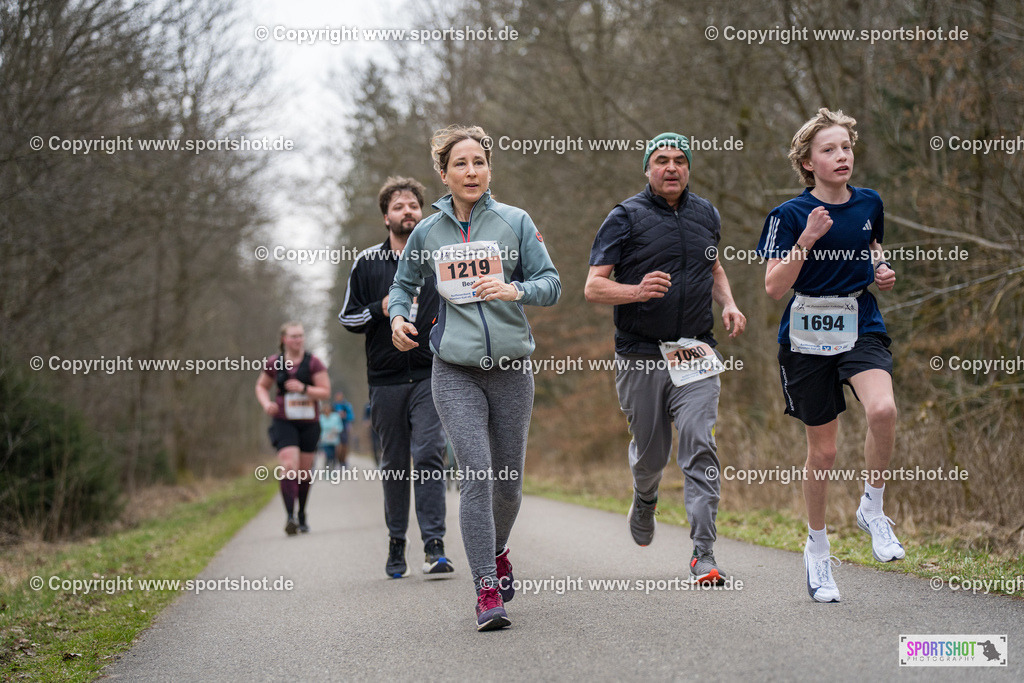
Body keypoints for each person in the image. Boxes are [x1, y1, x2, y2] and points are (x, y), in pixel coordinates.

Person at [389, 125, 560, 631]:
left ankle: (499, 548)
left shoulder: (515, 222)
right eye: (460, 163)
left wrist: (514, 291)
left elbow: (551, 284)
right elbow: (403, 287)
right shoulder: (428, 232)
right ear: (443, 173)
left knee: (508, 487)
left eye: (479, 162)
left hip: (511, 370)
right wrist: (399, 317)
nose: (471, 171)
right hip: (454, 371)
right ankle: (486, 589)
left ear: (490, 170)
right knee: (477, 476)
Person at [585, 133, 746, 585]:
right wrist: (635, 291)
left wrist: (729, 303)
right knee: (652, 455)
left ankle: (704, 552)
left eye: (679, 160)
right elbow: (593, 286)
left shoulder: (707, 214)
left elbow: (713, 267)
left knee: (699, 441)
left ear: (689, 168)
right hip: (639, 354)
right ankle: (645, 495)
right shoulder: (624, 217)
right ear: (647, 169)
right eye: (661, 160)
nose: (671, 168)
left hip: (696, 349)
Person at [756, 108, 903, 603]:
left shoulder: (870, 203)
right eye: (829, 150)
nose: (841, 157)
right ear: (807, 162)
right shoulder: (788, 216)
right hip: (806, 335)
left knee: (883, 409)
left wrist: (880, 269)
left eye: (846, 148)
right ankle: (818, 549)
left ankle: (873, 508)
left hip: (859, 321)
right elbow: (774, 287)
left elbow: (873, 245)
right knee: (824, 452)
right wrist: (807, 239)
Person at [340, 176, 453, 579]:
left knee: (428, 455)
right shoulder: (367, 263)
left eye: (414, 205)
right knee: (394, 465)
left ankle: (435, 544)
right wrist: (381, 307)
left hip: (430, 373)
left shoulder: (438, 255)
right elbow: (348, 317)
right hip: (385, 380)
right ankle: (396, 542)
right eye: (400, 206)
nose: (408, 212)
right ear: (386, 216)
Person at [255, 322, 331, 535]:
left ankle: (302, 514)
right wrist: (266, 403)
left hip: (309, 423)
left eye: (301, 336)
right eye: (293, 336)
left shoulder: (313, 362)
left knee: (305, 472)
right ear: (284, 339)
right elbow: (261, 386)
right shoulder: (274, 362)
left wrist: (304, 388)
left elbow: (325, 392)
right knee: (289, 465)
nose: (298, 340)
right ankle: (289, 516)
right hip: (284, 421)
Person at [332, 392, 356, 469]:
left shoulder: (346, 405)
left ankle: (343, 461)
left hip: (344, 427)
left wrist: (345, 416)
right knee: (336, 446)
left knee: (344, 445)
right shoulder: (333, 406)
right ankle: (335, 461)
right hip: (334, 428)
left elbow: (351, 416)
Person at [318, 403, 343, 469]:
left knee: (334, 456)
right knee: (328, 455)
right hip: (325, 439)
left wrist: (335, 430)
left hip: (334, 440)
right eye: (325, 409)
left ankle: (333, 469)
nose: (327, 410)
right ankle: (327, 469)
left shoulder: (336, 417)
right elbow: (319, 429)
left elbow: (340, 427)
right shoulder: (321, 418)